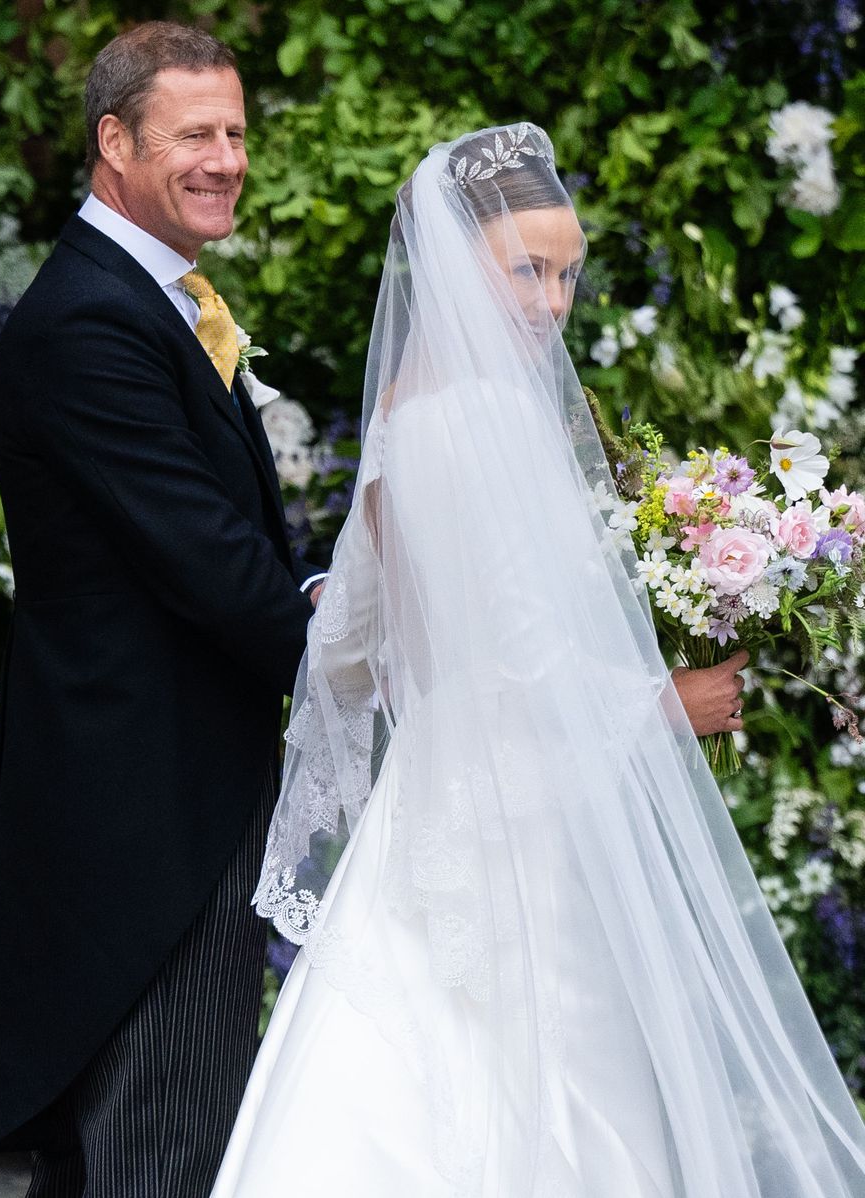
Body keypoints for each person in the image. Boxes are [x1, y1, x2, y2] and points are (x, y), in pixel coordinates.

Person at [210, 123, 865, 1197]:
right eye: (525, 270)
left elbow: (351, 637)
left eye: (567, 274)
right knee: (528, 1070)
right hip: (509, 813)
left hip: (440, 797)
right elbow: (519, 652)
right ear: (454, 263)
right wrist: (665, 700)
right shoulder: (475, 416)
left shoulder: (404, 413)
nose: (552, 300)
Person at [0, 22, 322, 1196]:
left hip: (164, 795)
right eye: (195, 134)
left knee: (124, 1162)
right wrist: (383, 651)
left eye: (234, 131)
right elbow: (215, 571)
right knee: (162, 1156)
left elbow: (223, 555)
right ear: (114, 141)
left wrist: (328, 599)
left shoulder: (147, 296)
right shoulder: (90, 322)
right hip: (148, 826)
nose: (225, 157)